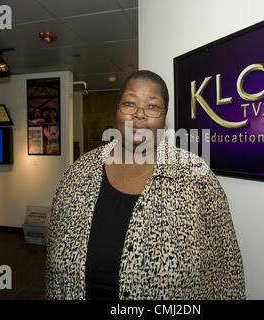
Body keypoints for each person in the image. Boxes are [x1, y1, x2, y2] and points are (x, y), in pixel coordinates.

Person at [45, 70, 245, 300]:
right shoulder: (78, 173)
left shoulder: (195, 176)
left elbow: (228, 268)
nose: (139, 114)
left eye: (152, 106)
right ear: (117, 109)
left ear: (164, 115)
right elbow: (52, 263)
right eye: (129, 103)